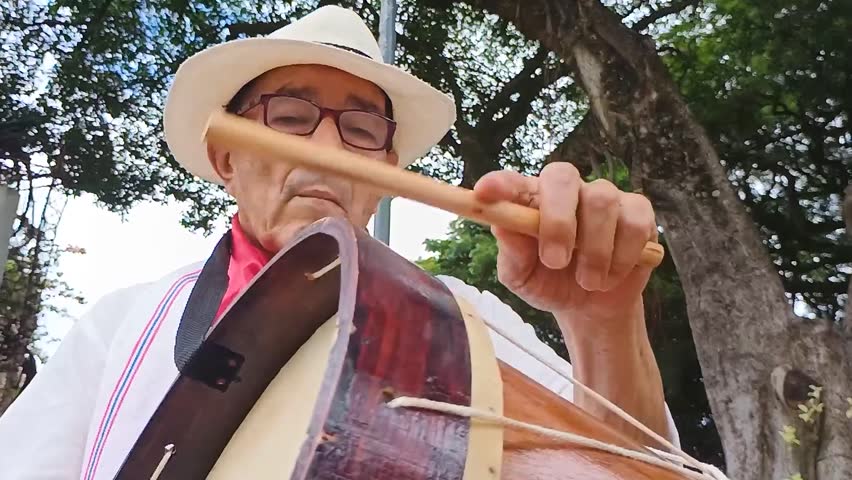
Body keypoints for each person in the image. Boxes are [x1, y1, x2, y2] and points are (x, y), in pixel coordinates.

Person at [0, 6, 679, 479]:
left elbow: (630, 470)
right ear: (227, 158)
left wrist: (600, 322)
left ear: (383, 179)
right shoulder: (120, 326)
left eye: (359, 132)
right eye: (289, 118)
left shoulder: (458, 320)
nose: (326, 151)